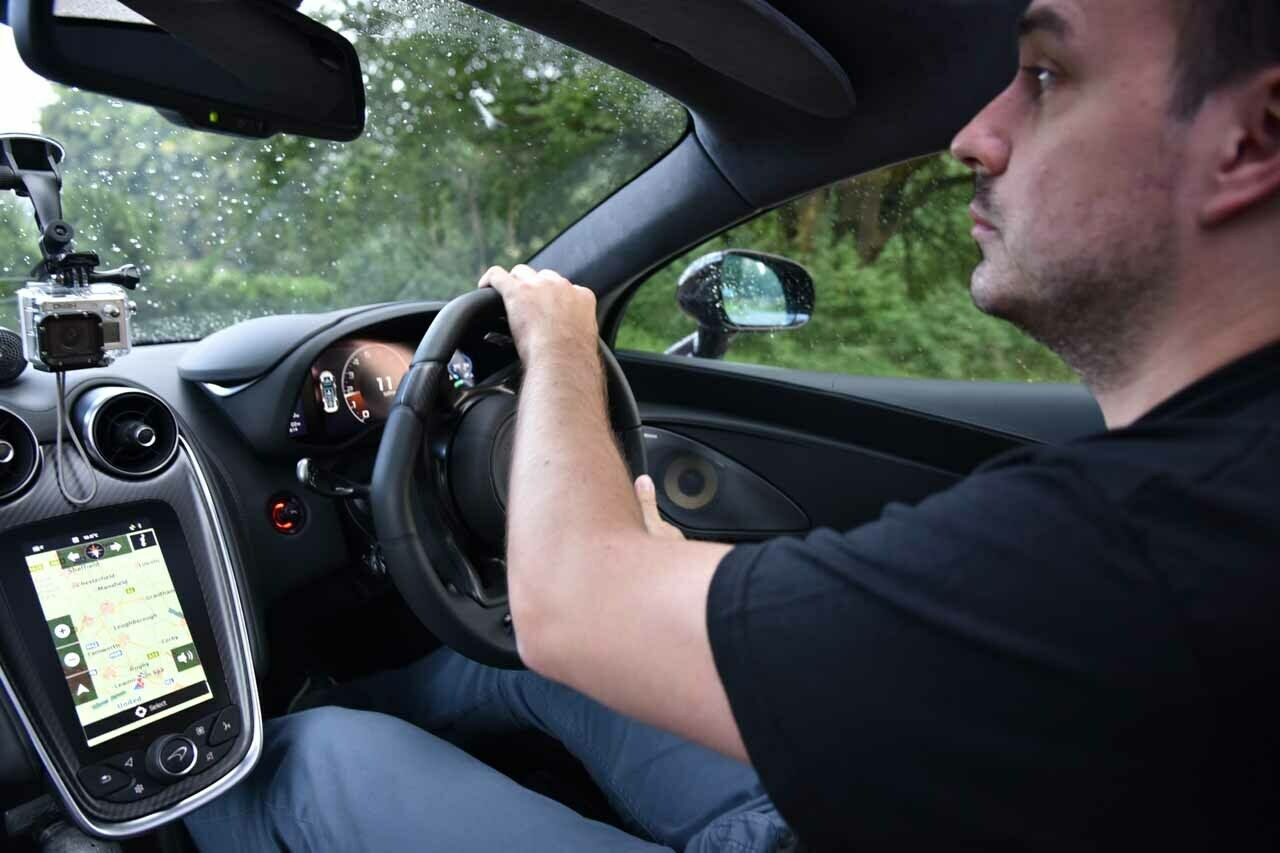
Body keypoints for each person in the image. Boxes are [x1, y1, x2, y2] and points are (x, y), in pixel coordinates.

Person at [186, 0, 1280, 849]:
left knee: (312, 760)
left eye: (1043, 78)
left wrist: (561, 341)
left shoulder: (1151, 549)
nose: (974, 136)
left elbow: (569, 604)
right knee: (520, 664)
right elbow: (581, 623)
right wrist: (632, 575)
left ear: (1251, 137)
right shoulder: (1202, 498)